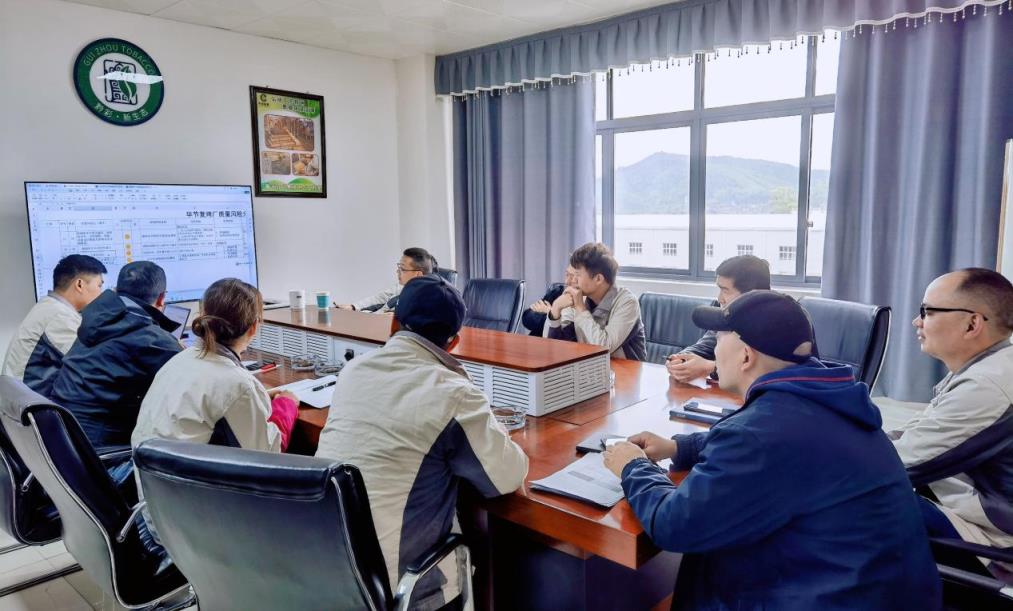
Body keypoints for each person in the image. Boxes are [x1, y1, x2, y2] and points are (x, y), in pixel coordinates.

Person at [603, 291, 941, 610]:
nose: (713, 351)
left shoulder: (761, 433)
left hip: (827, 596)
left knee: (699, 555)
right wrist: (679, 446)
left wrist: (633, 466)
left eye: (720, 339)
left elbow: (673, 525)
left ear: (746, 355)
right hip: (874, 586)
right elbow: (780, 440)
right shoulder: (826, 397)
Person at [316, 275, 528, 610]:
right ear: (454, 341)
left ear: (394, 322)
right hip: (399, 589)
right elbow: (507, 477)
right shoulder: (454, 394)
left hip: (325, 569)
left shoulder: (353, 371)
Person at [890, 268, 1013, 575]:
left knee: (849, 498)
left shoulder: (988, 384)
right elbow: (916, 434)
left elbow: (899, 465)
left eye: (927, 312)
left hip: (993, 540)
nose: (917, 322)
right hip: (969, 504)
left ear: (972, 323)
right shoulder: (988, 366)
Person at [51, 261, 183, 451]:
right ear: (161, 299)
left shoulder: (95, 320)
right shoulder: (150, 338)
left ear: (116, 289)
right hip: (102, 456)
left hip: (62, 441)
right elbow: (193, 378)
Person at [2, 254, 106, 394]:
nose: (102, 293)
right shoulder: (58, 316)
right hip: (33, 408)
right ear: (80, 285)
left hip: (26, 400)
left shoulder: (50, 307)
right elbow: (92, 363)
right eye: (99, 285)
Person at [667, 255, 770, 383]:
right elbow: (704, 348)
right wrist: (681, 361)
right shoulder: (725, 315)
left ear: (751, 294)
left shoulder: (785, 321)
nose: (720, 299)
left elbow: (766, 372)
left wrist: (711, 367)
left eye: (725, 291)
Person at [545, 242, 646, 361]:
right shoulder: (579, 296)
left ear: (598, 279)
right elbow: (556, 348)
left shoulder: (627, 302)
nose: (572, 281)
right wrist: (555, 311)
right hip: (589, 371)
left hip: (625, 374)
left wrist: (581, 309)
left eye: (577, 275)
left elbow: (604, 348)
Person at [336, 247, 435, 313]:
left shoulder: (427, 298)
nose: (398, 271)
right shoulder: (401, 287)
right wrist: (353, 307)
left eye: (402, 269)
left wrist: (398, 317)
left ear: (418, 274)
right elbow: (379, 298)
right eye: (399, 267)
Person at [521, 265, 577, 336]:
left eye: (572, 276)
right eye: (567, 275)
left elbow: (569, 332)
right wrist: (553, 315)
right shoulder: (558, 291)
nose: (566, 282)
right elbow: (527, 317)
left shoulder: (586, 302)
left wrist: (551, 312)